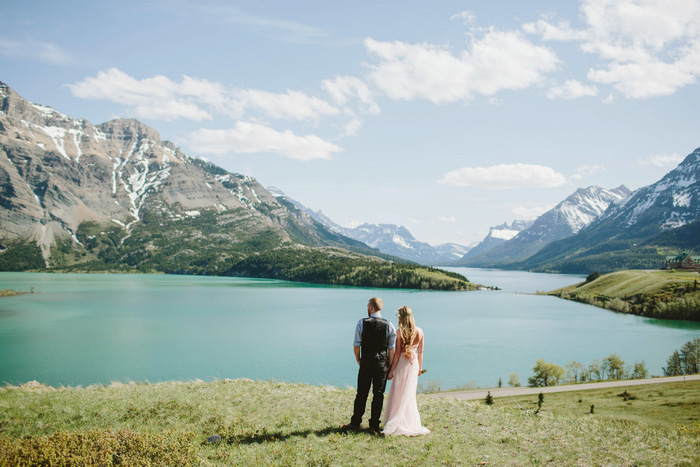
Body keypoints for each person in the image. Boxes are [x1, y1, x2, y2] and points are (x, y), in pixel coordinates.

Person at [343, 297, 396, 434]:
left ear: (371, 308)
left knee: (362, 393)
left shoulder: (362, 323)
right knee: (378, 395)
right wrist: (389, 367)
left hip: (366, 362)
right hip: (381, 364)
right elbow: (391, 349)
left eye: (368, 306)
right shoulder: (389, 325)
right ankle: (373, 425)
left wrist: (358, 359)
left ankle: (355, 423)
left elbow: (356, 345)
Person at [382, 305, 430, 436]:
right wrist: (419, 368)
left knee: (399, 391)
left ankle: (398, 420)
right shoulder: (419, 331)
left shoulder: (399, 333)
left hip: (403, 363)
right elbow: (420, 352)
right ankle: (408, 420)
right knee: (409, 393)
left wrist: (391, 370)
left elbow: (397, 354)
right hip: (413, 363)